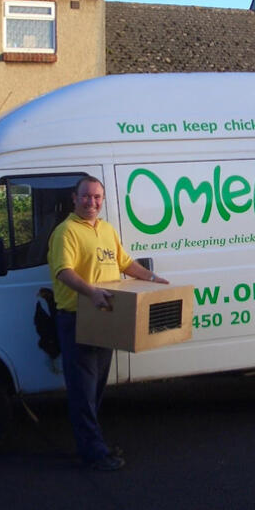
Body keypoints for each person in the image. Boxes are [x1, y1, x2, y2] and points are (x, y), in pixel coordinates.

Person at [47, 175, 168, 471]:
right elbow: (64, 271)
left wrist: (152, 279)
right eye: (86, 196)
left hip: (105, 316)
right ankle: (94, 453)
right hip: (77, 319)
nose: (92, 202)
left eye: (97, 197)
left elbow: (126, 263)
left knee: (96, 387)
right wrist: (91, 292)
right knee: (83, 390)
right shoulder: (66, 232)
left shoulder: (106, 230)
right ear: (74, 199)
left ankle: (93, 442)